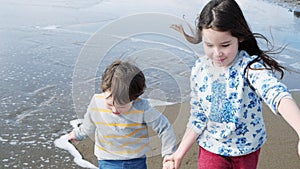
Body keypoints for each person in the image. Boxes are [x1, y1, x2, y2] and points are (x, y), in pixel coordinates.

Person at [163, 0, 300, 169]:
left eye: (225, 45)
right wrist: (179, 154)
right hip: (211, 147)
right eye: (209, 45)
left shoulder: (250, 68)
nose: (217, 53)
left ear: (239, 37)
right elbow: (198, 117)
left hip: (247, 149)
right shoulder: (200, 70)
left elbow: (276, 94)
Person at [68, 60, 177, 169]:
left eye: (122, 106)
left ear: (134, 98)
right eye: (110, 104)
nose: (115, 110)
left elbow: (164, 127)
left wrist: (169, 154)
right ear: (105, 89)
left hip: (136, 161)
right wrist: (78, 135)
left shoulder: (142, 107)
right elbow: (88, 125)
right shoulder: (96, 102)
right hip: (107, 160)